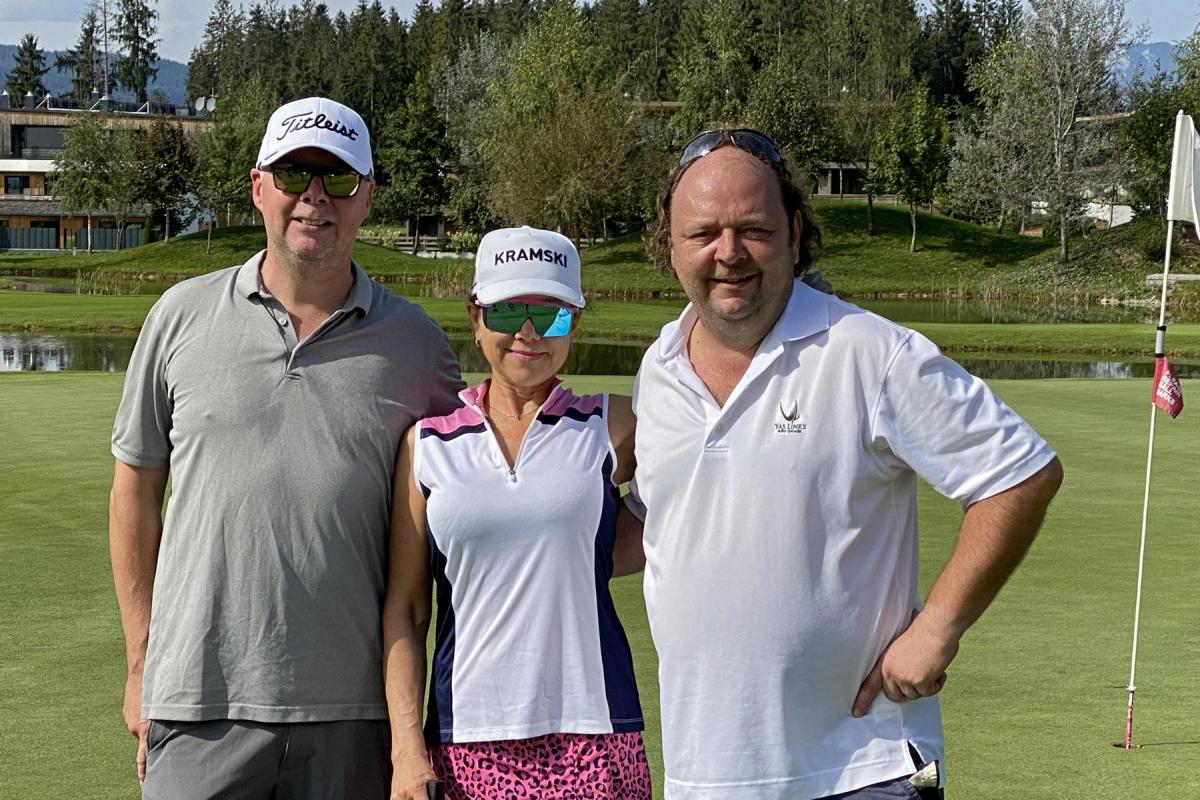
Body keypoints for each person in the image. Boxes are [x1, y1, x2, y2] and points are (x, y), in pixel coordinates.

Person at [627, 129, 1064, 799]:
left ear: (796, 233)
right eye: (703, 233)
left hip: (863, 768)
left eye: (754, 229)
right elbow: (668, 521)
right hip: (705, 773)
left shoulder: (869, 351)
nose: (728, 253)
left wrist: (937, 630)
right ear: (669, 245)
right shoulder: (657, 367)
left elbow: (1021, 473)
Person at [108, 96, 463, 798]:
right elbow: (134, 493)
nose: (315, 197)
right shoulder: (179, 315)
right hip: (197, 703)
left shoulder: (418, 346)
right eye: (295, 173)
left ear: (367, 197)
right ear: (258, 186)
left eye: (339, 178)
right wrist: (141, 663)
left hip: (354, 716)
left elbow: (463, 509)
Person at [382, 226, 651, 800]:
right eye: (507, 313)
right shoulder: (428, 444)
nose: (528, 333)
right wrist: (406, 752)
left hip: (596, 732)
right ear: (476, 317)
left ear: (575, 323)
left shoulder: (616, 424)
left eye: (550, 316)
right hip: (464, 740)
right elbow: (407, 608)